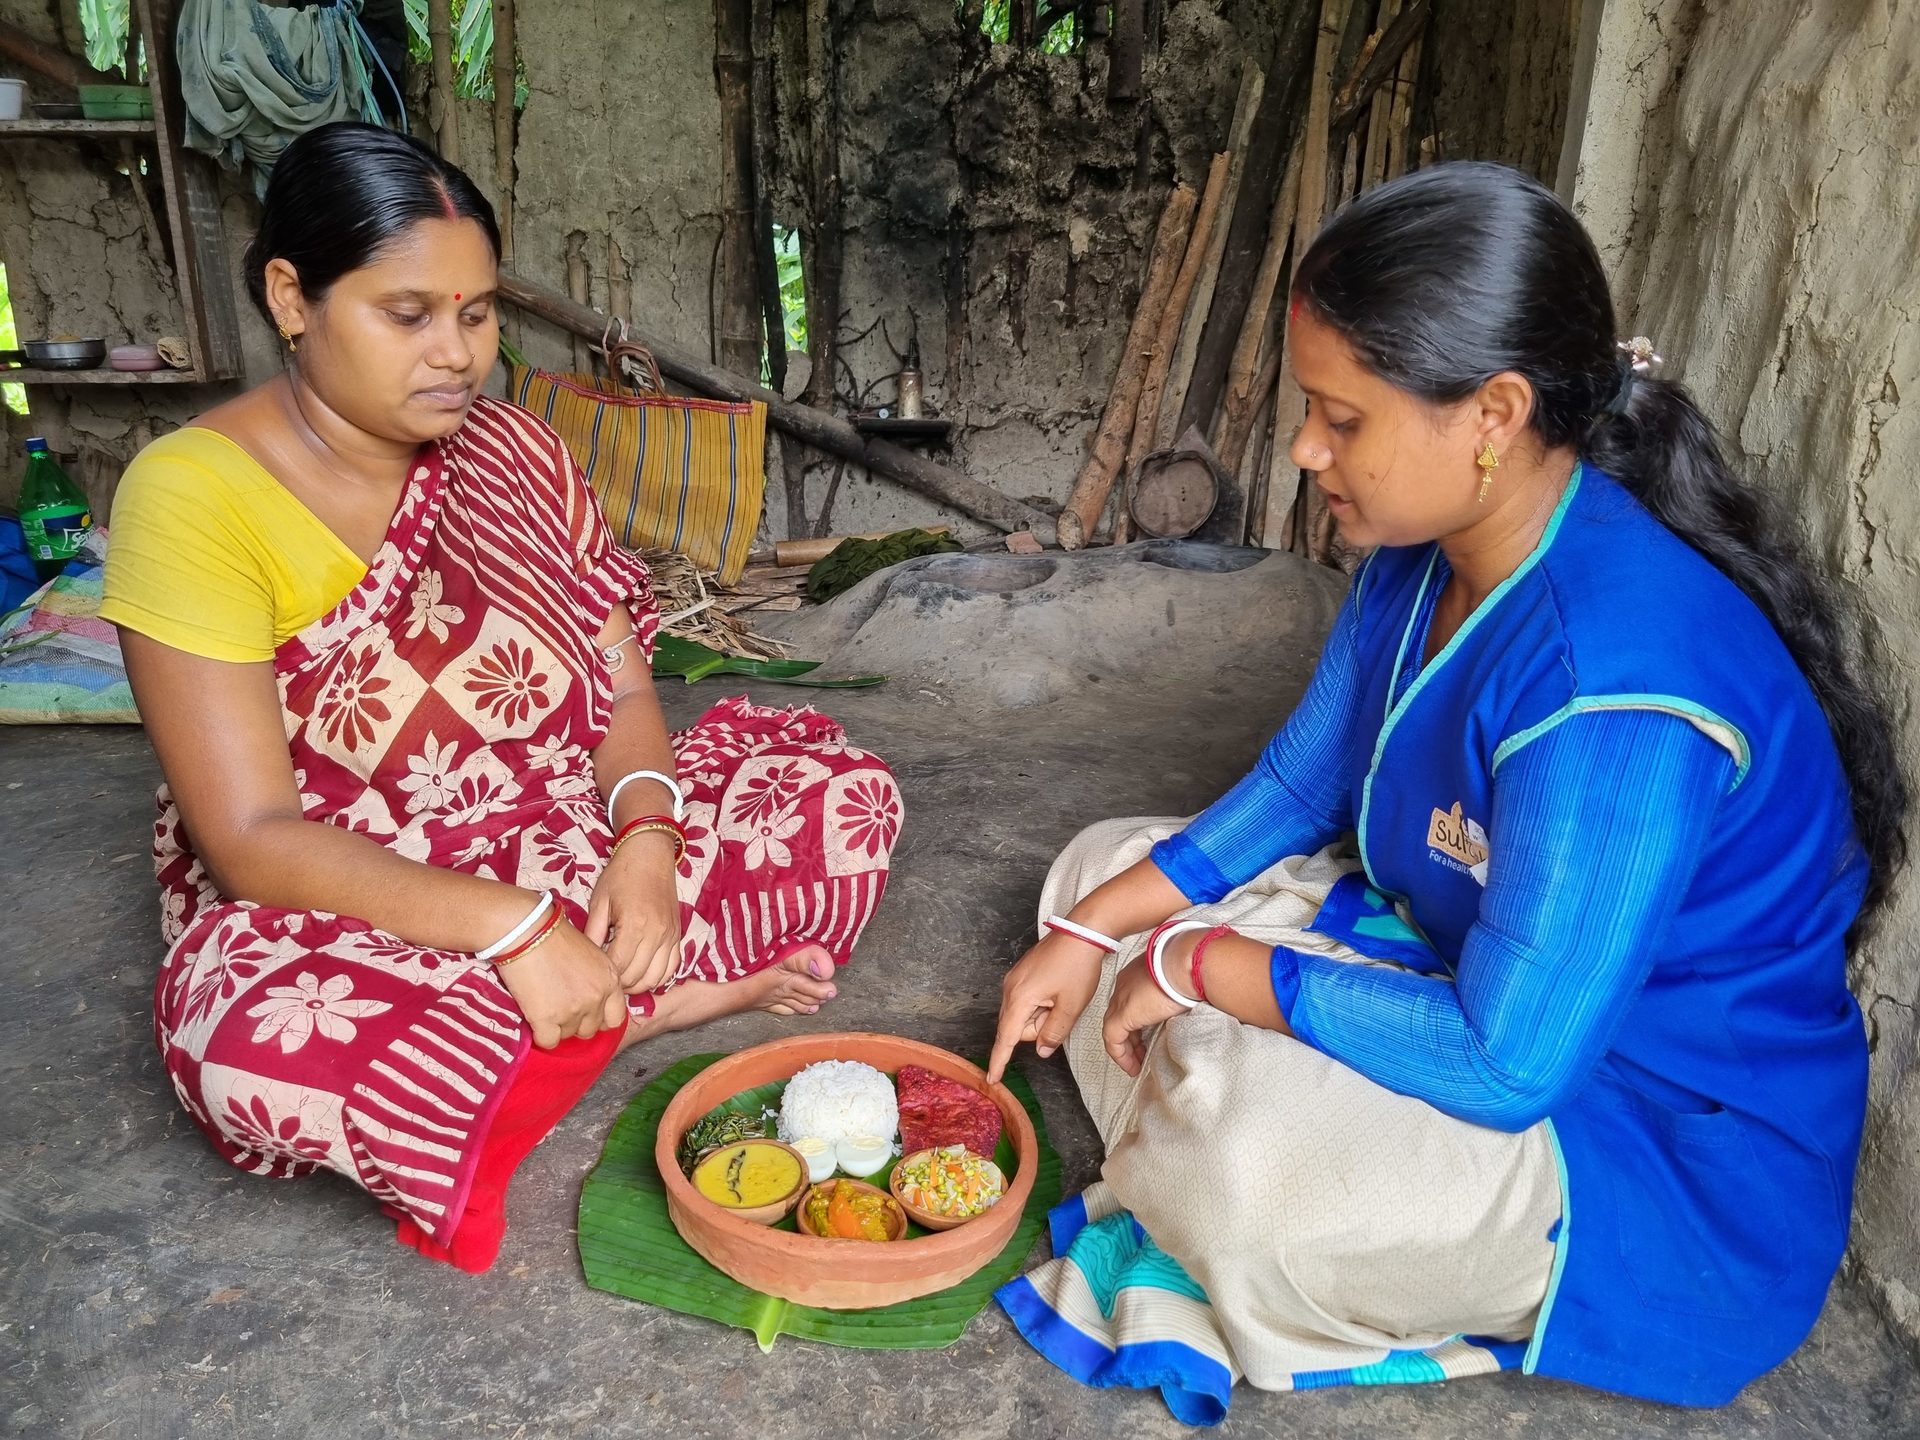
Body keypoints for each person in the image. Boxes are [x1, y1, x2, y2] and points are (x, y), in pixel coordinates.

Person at [988, 161, 1905, 1423]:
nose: (1308, 449)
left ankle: (1220, 1149)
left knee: (1246, 1188)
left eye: (1342, 418)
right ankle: (1209, 1102)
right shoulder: (1423, 551)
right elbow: (1300, 783)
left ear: (1493, 412)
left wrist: (1202, 968)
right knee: (1094, 868)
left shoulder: (1615, 692)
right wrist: (1097, 933)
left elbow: (1509, 1062)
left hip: (1636, 1131)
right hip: (1455, 948)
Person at [101, 123, 901, 1273]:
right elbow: (251, 840)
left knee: (837, 792)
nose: (456, 354)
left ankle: (596, 1004)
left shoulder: (514, 451)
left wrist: (646, 842)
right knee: (248, 1040)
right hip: (355, 898)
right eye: (408, 312)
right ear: (292, 296)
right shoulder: (191, 496)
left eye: (477, 314)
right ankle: (644, 1000)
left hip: (557, 828)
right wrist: (517, 930)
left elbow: (623, 683)